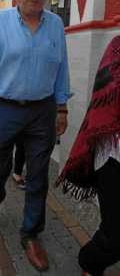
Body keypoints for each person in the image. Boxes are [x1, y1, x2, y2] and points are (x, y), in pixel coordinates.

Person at [0, 0, 70, 272]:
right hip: (3, 108)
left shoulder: (55, 25)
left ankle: (30, 234)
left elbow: (61, 68)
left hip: (42, 111)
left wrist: (62, 107)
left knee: (38, 176)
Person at [56, 36, 120, 276]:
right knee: (115, 235)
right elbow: (109, 92)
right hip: (114, 155)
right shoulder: (117, 47)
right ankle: (89, 263)